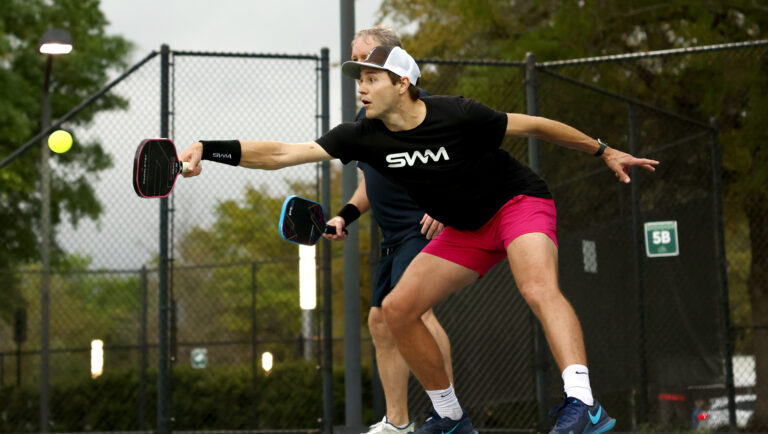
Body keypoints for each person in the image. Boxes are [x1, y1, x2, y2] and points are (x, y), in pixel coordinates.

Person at [179, 45, 659, 434]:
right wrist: (209, 148)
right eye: (359, 80)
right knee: (397, 309)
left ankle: (583, 402)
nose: (361, 88)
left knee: (537, 287)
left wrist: (602, 150)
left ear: (402, 83)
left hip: (516, 203)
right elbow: (284, 153)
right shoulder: (362, 136)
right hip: (465, 229)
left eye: (372, 78)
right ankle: (450, 418)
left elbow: (534, 125)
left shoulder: (459, 114)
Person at [323, 25, 453, 434]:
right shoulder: (367, 120)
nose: (360, 70)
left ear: (393, 64)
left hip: (421, 229)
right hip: (392, 236)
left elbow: (459, 163)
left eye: (366, 59)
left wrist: (446, 205)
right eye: (356, 61)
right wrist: (345, 214)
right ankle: (397, 422)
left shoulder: (420, 109)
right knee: (380, 322)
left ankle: (451, 416)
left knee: (417, 312)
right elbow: (371, 183)